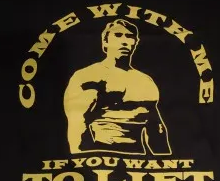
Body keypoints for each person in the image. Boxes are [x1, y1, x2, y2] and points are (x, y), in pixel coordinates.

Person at [63, 19, 171, 155]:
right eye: (118, 35)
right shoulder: (88, 76)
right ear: (105, 42)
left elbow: (155, 126)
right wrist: (79, 159)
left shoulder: (145, 81)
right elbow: (77, 122)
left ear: (135, 43)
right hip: (99, 156)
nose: (124, 41)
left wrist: (164, 158)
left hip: (137, 158)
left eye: (130, 36)